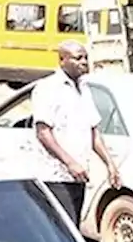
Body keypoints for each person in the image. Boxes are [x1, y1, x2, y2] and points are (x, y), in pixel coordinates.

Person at [32, 40, 120, 222]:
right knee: (64, 231)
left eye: (86, 58)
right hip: (56, 177)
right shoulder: (48, 88)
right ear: (62, 60)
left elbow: (93, 130)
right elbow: (43, 132)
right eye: (78, 58)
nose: (84, 62)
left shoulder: (84, 88)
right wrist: (70, 163)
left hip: (79, 176)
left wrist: (110, 164)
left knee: (74, 227)